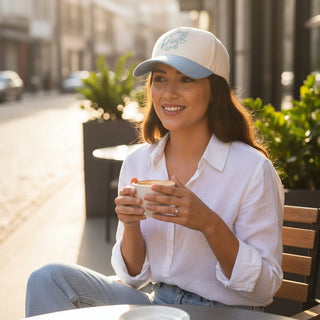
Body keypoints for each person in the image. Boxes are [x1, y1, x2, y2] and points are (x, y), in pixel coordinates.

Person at [25, 27, 284, 317]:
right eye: (160, 79)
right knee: (47, 280)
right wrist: (131, 223)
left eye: (186, 79)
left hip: (225, 311)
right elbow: (134, 277)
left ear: (215, 91)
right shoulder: (138, 163)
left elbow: (265, 288)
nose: (169, 93)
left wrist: (209, 223)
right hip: (158, 302)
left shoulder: (251, 169)